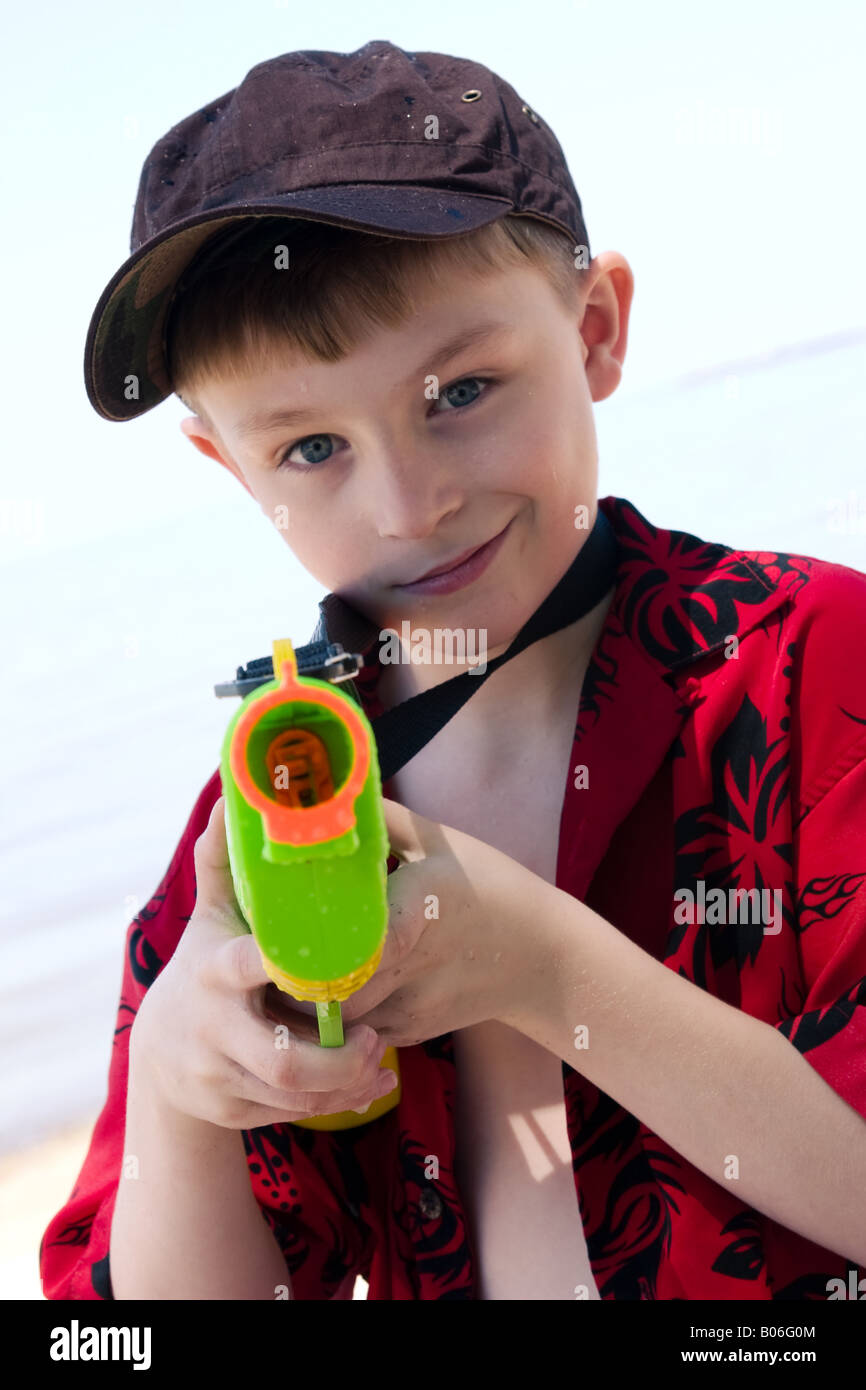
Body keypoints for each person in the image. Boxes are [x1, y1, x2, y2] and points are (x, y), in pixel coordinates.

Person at [41, 41, 866, 1301]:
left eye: (461, 390)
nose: (407, 504)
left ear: (593, 332)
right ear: (232, 470)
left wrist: (541, 965)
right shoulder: (263, 819)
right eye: (311, 445)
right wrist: (179, 1094)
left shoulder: (809, 663)